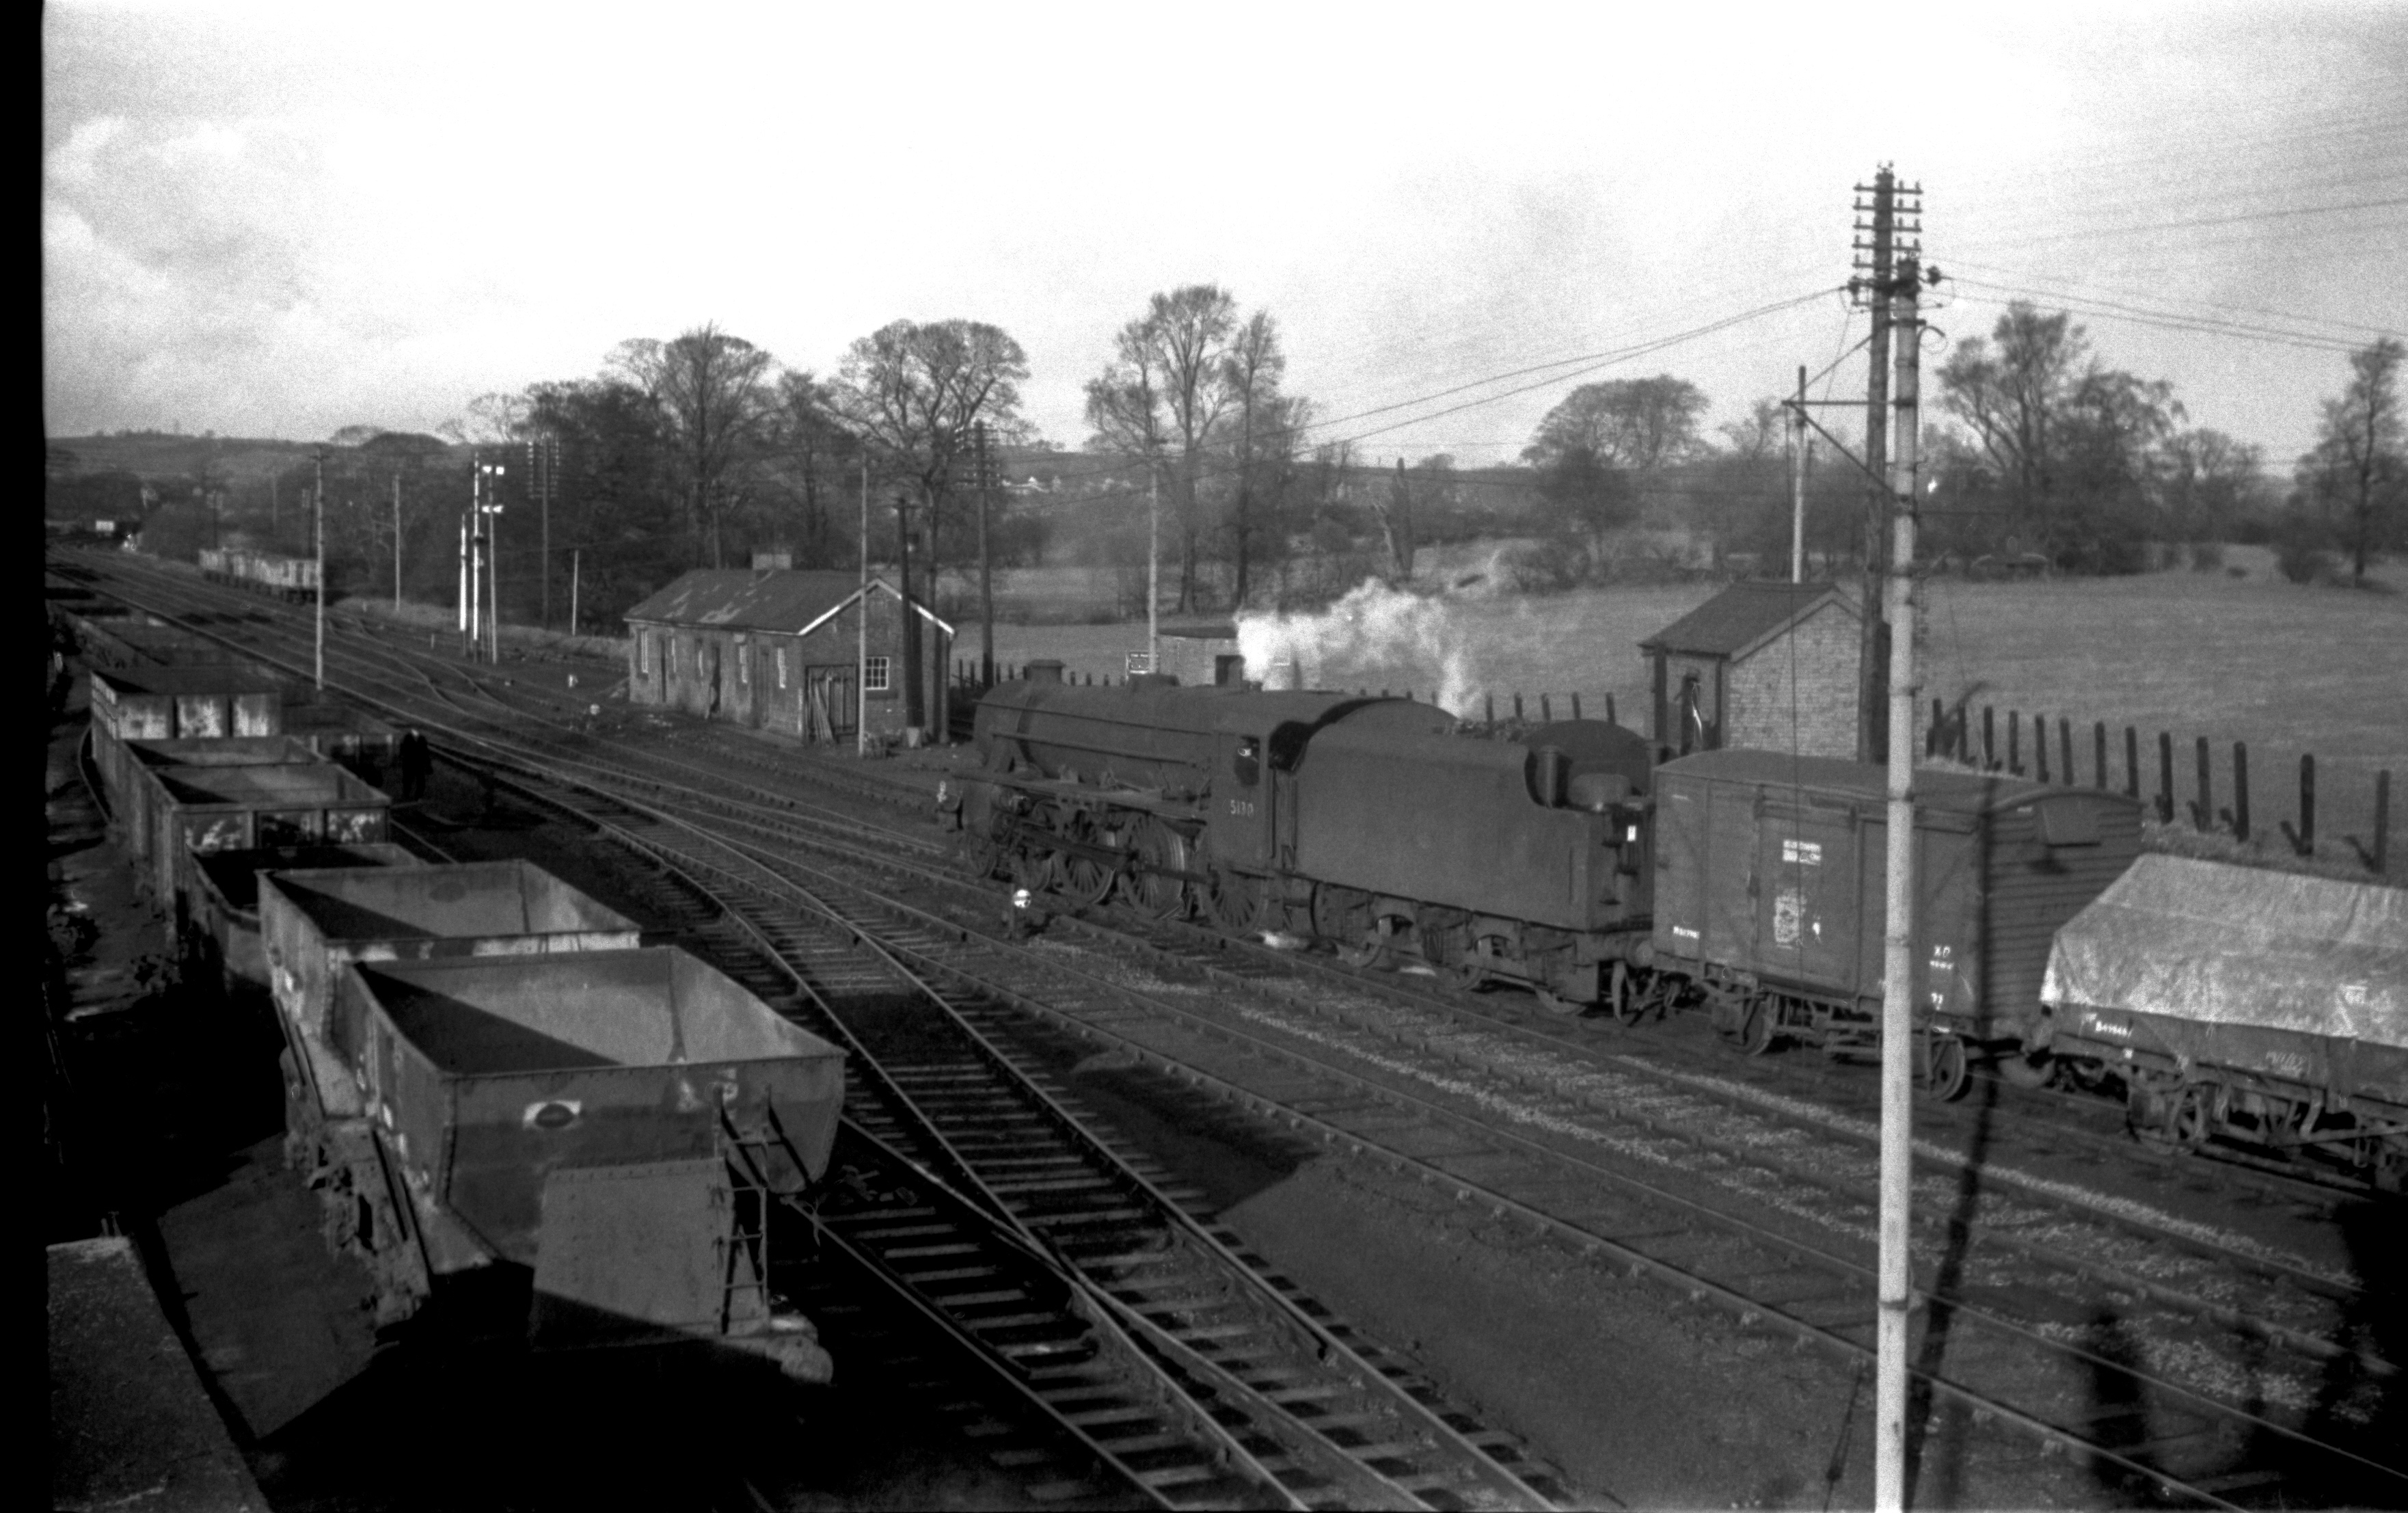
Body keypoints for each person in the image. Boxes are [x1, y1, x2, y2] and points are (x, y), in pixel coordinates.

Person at [396, 728, 431, 801]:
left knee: (415, 781)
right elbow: (425, 752)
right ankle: (410, 795)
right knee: (410, 780)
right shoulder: (420, 739)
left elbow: (425, 752)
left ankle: (412, 795)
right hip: (413, 763)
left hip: (413, 763)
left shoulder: (409, 738)